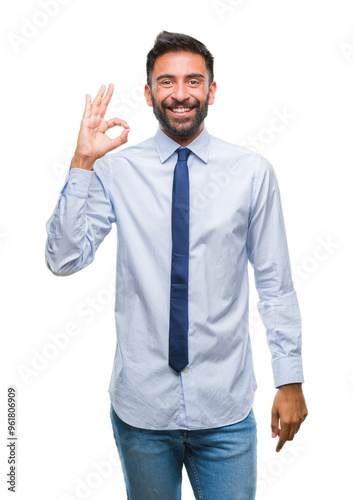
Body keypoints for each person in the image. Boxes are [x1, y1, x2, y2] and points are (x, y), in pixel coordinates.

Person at [45, 31, 308, 500]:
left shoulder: (251, 173)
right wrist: (83, 159)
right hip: (142, 409)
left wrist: (289, 379)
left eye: (193, 81)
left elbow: (275, 283)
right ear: (149, 93)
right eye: (166, 82)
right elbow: (64, 259)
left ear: (211, 90)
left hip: (225, 408)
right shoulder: (115, 170)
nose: (180, 94)